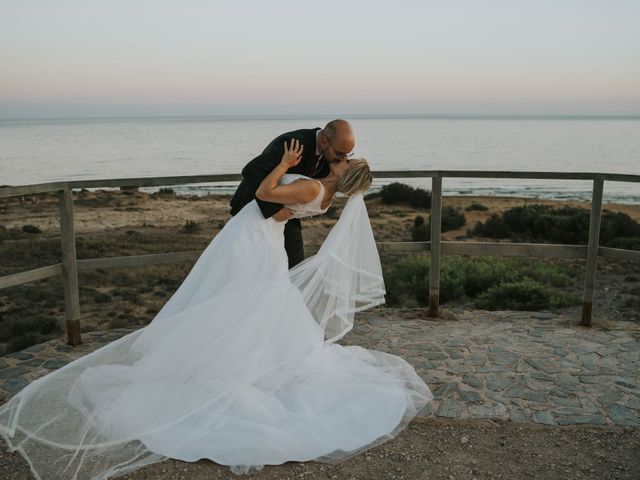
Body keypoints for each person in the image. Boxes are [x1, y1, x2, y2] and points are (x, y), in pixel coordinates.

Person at [0, 142, 433, 479]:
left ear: (343, 173)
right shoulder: (327, 197)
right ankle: (254, 359)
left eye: (345, 160)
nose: (342, 159)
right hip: (269, 241)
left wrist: (282, 162)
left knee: (233, 298)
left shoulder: (315, 188)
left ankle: (224, 362)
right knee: (254, 302)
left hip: (251, 236)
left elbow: (264, 192)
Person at [230, 119, 356, 268]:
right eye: (340, 153)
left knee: (295, 266)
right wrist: (275, 210)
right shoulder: (294, 143)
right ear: (323, 141)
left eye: (348, 155)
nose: (343, 158)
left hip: (287, 218)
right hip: (256, 209)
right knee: (255, 267)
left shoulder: (331, 156)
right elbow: (251, 170)